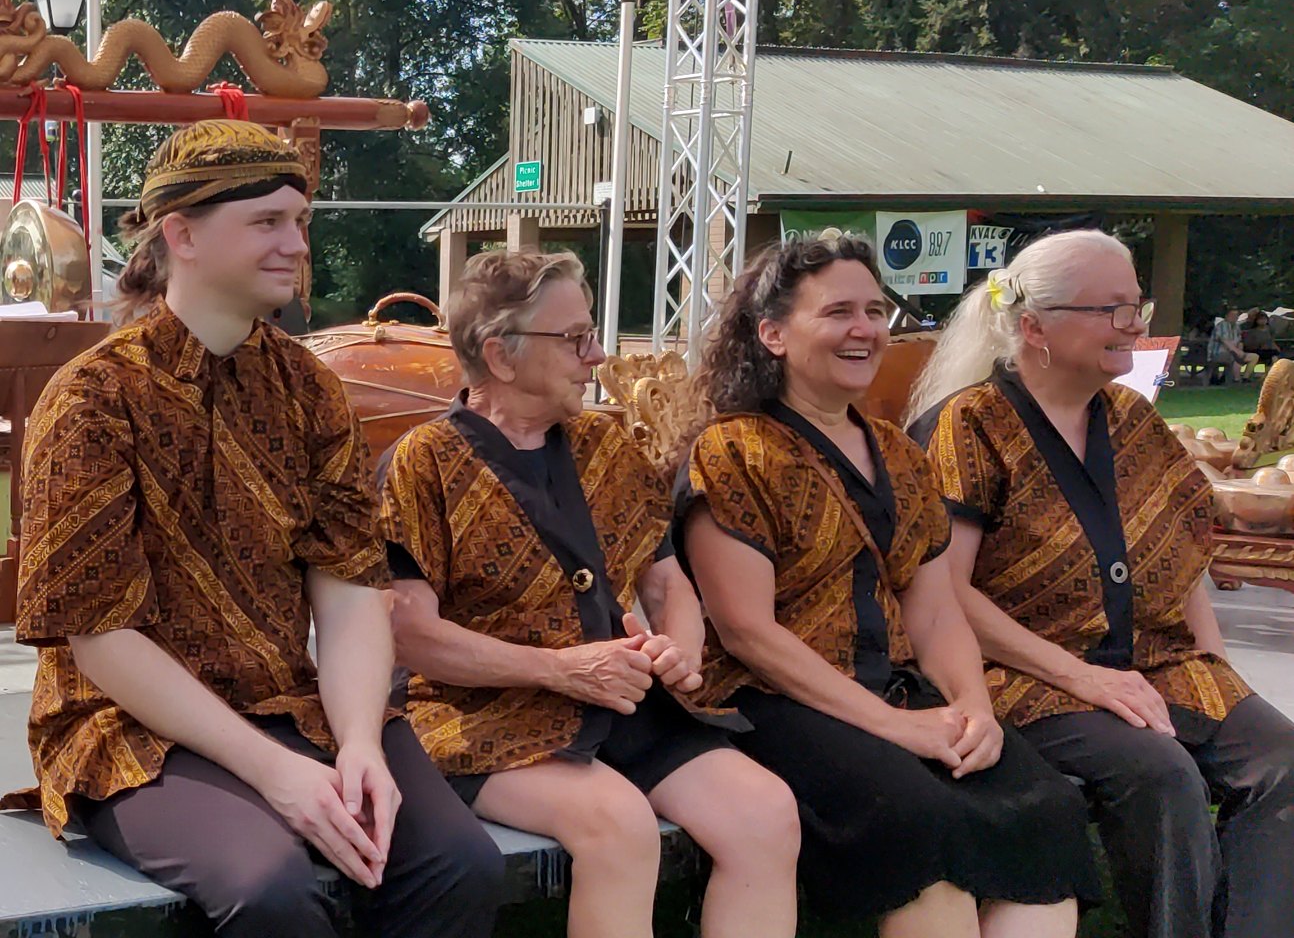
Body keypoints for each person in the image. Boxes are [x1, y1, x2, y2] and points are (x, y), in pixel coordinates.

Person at [0, 120, 503, 938]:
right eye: (267, 221)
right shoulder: (92, 398)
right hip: (126, 726)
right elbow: (100, 639)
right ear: (182, 234)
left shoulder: (311, 388)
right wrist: (279, 776)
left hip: (290, 704)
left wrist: (360, 745)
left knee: (458, 864)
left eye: (300, 222)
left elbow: (349, 596)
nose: (295, 244)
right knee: (270, 887)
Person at [676, 230, 1100, 938]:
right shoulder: (732, 452)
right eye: (839, 312)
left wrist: (975, 708)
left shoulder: (901, 455)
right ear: (774, 334)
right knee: (921, 822)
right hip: (776, 702)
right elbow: (746, 630)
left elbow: (935, 615)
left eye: (875, 311)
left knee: (1045, 807)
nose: (865, 330)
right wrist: (896, 728)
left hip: (899, 689)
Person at [378, 249, 800, 938]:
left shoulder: (605, 445)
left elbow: (664, 578)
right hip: (475, 717)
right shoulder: (420, 463)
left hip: (615, 701)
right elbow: (409, 634)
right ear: (500, 355)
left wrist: (680, 651)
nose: (598, 355)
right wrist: (561, 669)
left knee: (766, 814)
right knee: (620, 827)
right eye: (574, 338)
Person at [906, 229, 1294, 938]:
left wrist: (1218, 673)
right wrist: (1082, 679)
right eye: (1110, 308)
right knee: (1163, 775)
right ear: (1034, 328)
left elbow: (1180, 560)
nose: (1135, 324)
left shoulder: (1133, 420)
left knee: (1284, 761)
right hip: (1021, 676)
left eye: (1135, 303)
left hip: (1154, 666)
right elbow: (944, 593)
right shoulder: (969, 426)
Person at [1209, 305, 1259, 382]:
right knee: (1236, 357)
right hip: (1218, 353)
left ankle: (1245, 378)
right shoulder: (1221, 325)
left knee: (1254, 357)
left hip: (1233, 352)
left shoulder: (1236, 327)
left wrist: (1240, 350)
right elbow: (1225, 341)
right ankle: (1236, 379)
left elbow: (1239, 341)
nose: (1235, 317)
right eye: (1232, 315)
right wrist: (1237, 352)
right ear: (1226, 316)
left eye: (1236, 315)